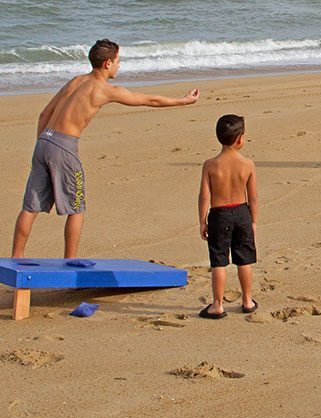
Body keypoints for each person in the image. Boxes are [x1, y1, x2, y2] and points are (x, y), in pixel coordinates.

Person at [12, 39, 200, 258]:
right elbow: (150, 100)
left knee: (30, 206)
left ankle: (17, 257)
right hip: (64, 147)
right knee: (77, 207)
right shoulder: (103, 90)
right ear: (107, 63)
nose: (120, 65)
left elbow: (44, 114)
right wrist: (183, 101)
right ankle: (70, 261)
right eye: (118, 60)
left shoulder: (76, 81)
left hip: (44, 141)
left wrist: (42, 148)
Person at [197, 114, 259, 319]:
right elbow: (253, 197)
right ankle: (247, 300)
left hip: (219, 214)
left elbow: (204, 195)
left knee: (219, 260)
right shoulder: (248, 164)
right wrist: (253, 221)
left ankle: (217, 304)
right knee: (244, 259)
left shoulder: (210, 164)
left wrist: (202, 221)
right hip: (241, 212)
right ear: (240, 138)